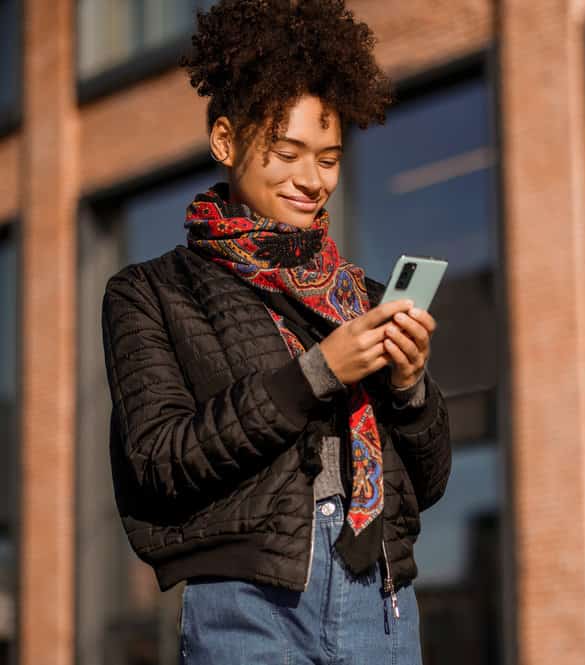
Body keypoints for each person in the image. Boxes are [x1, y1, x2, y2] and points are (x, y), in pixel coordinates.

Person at [99, 1, 451, 663]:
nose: (311, 179)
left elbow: (427, 483)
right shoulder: (150, 291)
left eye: (328, 158)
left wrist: (408, 389)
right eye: (287, 152)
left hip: (380, 599)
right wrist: (316, 373)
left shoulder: (365, 299)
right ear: (227, 141)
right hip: (246, 601)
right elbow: (157, 460)